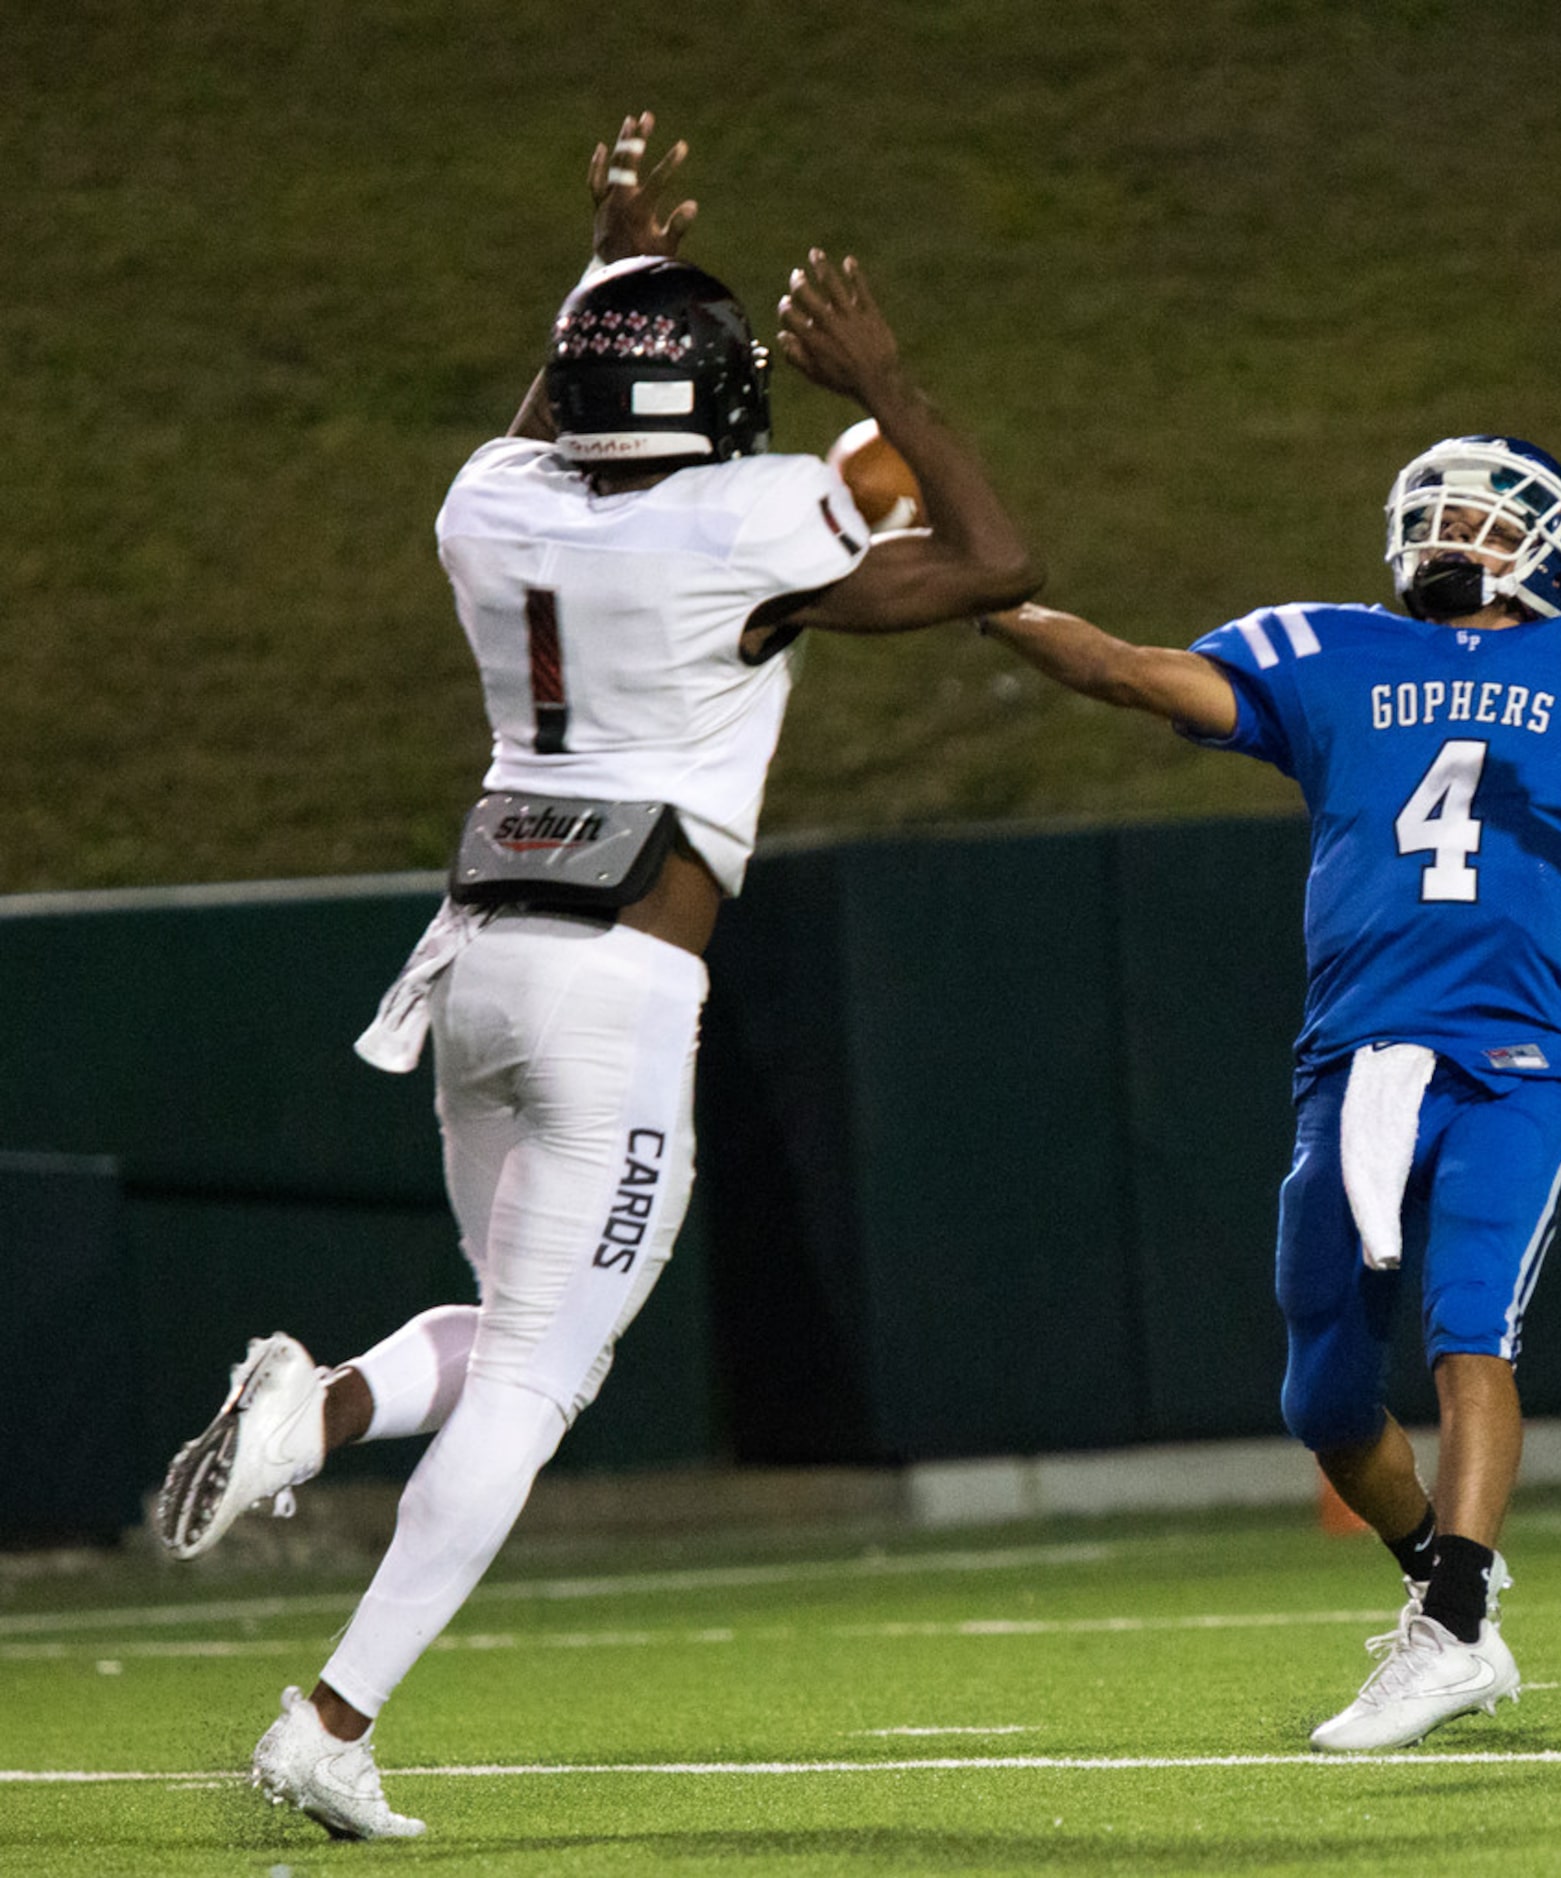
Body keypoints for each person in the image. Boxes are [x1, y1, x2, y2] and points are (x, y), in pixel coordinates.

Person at [152, 109, 1040, 1839]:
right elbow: (997, 554)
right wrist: (892, 377)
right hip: (620, 990)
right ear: (715, 408)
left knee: (517, 1325)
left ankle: (319, 1400)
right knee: (550, 1376)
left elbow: (550, 422)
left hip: (473, 965)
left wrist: (608, 272)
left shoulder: (488, 502)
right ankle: (329, 1717)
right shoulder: (749, 523)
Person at [978, 434, 1561, 1751]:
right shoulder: (1324, 649)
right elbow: (1119, 667)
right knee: (1325, 1399)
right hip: (1352, 1063)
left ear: (1547, 539)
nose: (1448, 533)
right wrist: (979, 598)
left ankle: (1448, 1631)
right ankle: (1451, 1591)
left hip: (1513, 1059)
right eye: (1432, 511)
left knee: (1470, 1328)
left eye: (1476, 514)